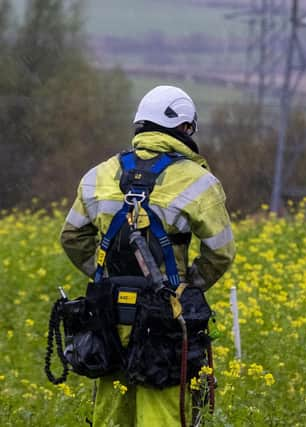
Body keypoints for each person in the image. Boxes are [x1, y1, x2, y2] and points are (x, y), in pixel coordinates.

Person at [60, 85, 236, 427]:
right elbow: (220, 251)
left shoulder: (98, 176)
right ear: (186, 129)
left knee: (112, 414)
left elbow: (71, 236)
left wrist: (102, 276)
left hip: (107, 315)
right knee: (163, 415)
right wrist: (186, 287)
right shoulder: (199, 182)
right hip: (165, 321)